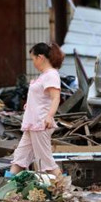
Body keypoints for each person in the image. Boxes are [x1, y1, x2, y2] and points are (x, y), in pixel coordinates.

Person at [9, 43, 64, 177]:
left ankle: (65, 189)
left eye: (33, 59)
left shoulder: (51, 75)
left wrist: (49, 116)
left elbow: (56, 98)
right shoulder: (44, 75)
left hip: (40, 124)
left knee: (46, 163)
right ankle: (6, 188)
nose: (33, 63)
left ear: (40, 57)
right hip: (32, 124)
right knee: (19, 158)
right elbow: (41, 97)